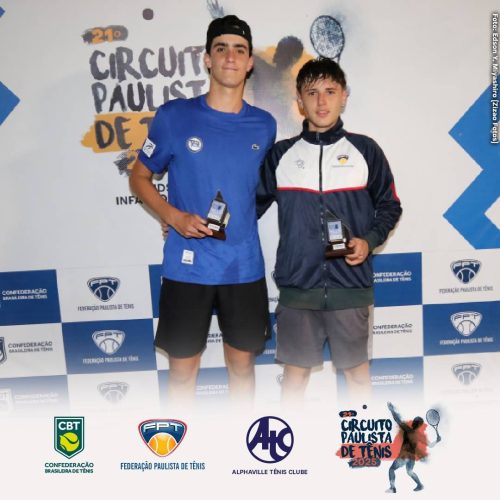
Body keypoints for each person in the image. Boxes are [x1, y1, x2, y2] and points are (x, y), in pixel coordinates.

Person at [130, 15, 276, 407]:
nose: (230, 57)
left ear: (249, 63)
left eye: (240, 50)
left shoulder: (264, 125)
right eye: (221, 48)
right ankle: (182, 444)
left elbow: (258, 192)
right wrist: (172, 216)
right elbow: (139, 178)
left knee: (242, 369)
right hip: (187, 266)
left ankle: (240, 441)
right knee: (182, 373)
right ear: (207, 59)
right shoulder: (174, 117)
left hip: (243, 267)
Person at [257, 57, 402, 405]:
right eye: (312, 93)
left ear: (344, 96)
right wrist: (188, 222)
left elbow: (390, 207)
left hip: (350, 288)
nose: (321, 102)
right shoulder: (280, 155)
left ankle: (360, 440)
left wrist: (368, 241)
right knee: (294, 381)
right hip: (297, 289)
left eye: (330, 92)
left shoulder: (366, 150)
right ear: (299, 101)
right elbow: (246, 210)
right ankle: (292, 442)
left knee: (358, 378)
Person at [386, 402, 441, 493]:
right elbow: (431, 445)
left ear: (414, 423)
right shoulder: (420, 436)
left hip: (404, 455)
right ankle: (420, 485)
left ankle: (392, 488)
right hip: (412, 457)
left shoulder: (407, 429)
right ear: (420, 425)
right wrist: (437, 441)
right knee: (410, 472)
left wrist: (391, 409)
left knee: (391, 469)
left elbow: (397, 419)